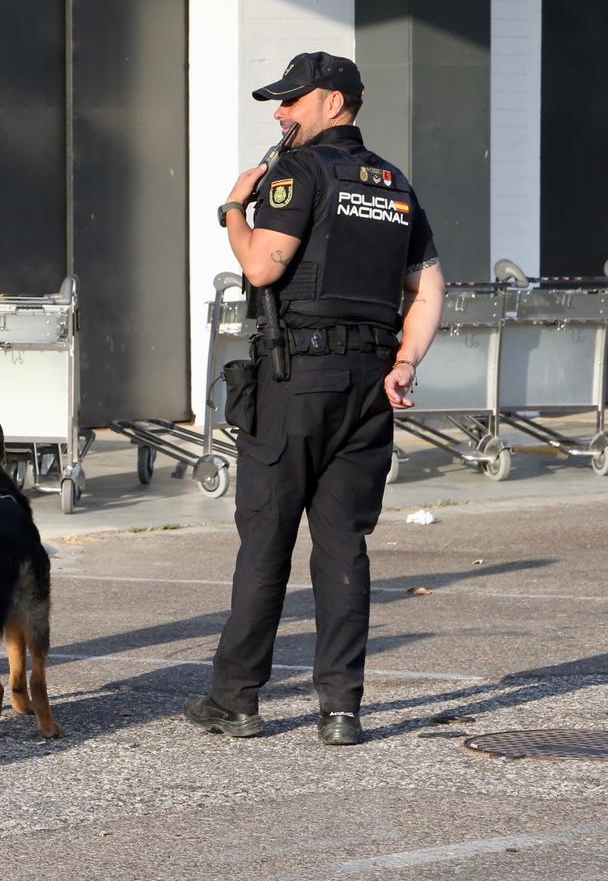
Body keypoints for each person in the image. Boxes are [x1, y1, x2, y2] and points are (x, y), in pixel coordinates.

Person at [185, 52, 445, 746]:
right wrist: (405, 364)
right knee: (343, 547)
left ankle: (235, 700)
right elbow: (428, 288)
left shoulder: (295, 173)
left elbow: (261, 263)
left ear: (333, 103)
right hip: (369, 386)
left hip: (297, 380)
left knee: (266, 541)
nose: (280, 112)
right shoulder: (394, 184)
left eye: (292, 101)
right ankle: (341, 711)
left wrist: (235, 208)